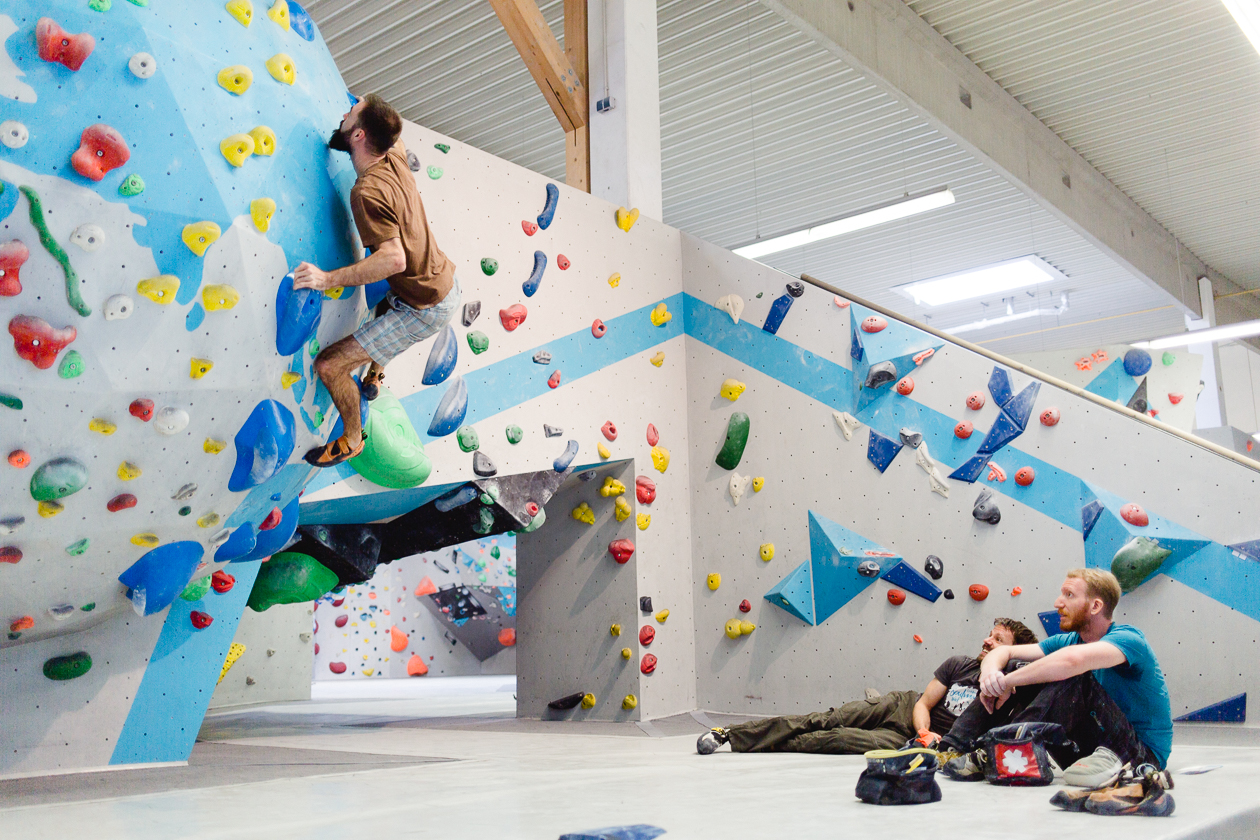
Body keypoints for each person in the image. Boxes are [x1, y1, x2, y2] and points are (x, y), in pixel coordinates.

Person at [295, 93, 460, 468]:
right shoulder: (393, 153)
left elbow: (393, 259)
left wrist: (325, 279)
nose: (343, 114)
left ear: (358, 136)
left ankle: (352, 439)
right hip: (438, 279)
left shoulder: (366, 191)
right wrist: (364, 103)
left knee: (331, 366)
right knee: (384, 302)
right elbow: (392, 131)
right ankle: (376, 369)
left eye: (349, 113)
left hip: (424, 307)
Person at [940, 569, 1173, 783]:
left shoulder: (1130, 639)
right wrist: (991, 675)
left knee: (1073, 676)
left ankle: (1001, 749)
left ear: (1095, 606)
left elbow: (1073, 661)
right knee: (1013, 666)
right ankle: (949, 750)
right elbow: (1004, 651)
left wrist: (1007, 682)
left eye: (1069, 595)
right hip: (1090, 746)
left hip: (1139, 755)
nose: (1058, 603)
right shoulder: (1070, 640)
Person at [696, 617, 1040, 755]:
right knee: (827, 719)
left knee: (833, 740)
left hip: (907, 741)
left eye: (997, 639)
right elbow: (923, 703)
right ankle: (729, 733)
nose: (986, 640)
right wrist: (923, 731)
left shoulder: (1009, 691)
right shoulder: (958, 665)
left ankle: (755, 744)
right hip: (906, 709)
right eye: (989, 634)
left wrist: (926, 742)